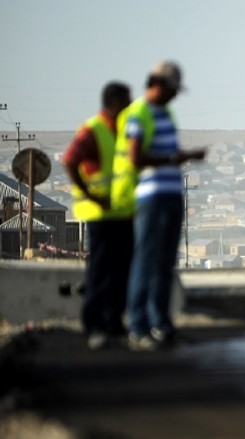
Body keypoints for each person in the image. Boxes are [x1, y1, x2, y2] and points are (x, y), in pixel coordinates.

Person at [112, 61, 206, 351]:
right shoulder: (138, 113)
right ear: (158, 84)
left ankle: (161, 324)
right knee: (146, 261)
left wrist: (184, 155)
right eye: (173, 89)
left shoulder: (165, 113)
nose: (176, 95)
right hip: (150, 196)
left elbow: (166, 151)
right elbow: (135, 157)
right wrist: (173, 160)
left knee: (165, 263)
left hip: (171, 194)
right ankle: (139, 327)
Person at [62, 82, 133, 350]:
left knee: (121, 269)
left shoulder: (123, 131)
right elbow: (70, 160)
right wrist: (91, 196)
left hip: (124, 212)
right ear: (115, 103)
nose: (130, 105)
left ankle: (114, 322)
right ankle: (94, 325)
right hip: (101, 214)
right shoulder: (93, 130)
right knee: (101, 270)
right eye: (126, 101)